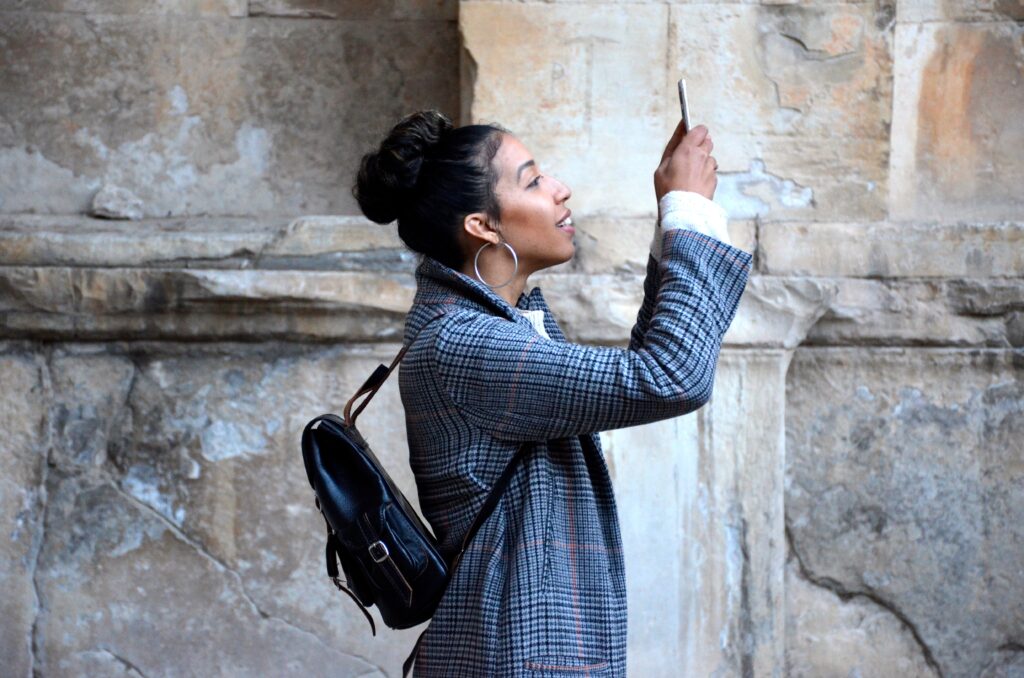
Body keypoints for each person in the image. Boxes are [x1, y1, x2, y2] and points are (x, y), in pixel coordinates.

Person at [352, 109, 751, 677]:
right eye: (534, 180)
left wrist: (674, 218)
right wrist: (689, 211)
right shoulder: (465, 343)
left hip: (518, 647)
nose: (560, 189)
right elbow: (671, 375)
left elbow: (648, 372)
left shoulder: (495, 325)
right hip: (518, 654)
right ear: (483, 226)